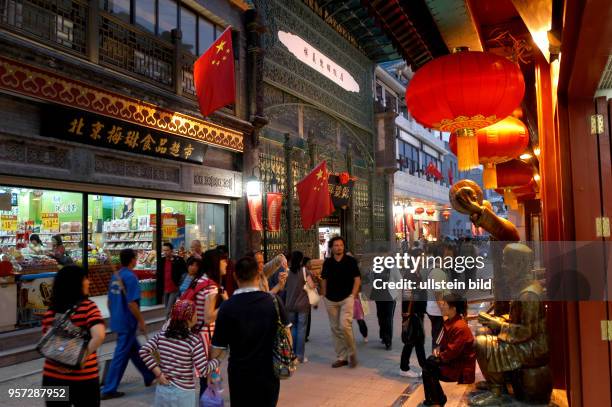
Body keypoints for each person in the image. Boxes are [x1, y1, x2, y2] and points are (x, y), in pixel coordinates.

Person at [210, 256, 292, 407]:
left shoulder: (227, 307)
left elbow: (217, 349)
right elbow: (287, 336)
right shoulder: (273, 301)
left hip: (239, 375)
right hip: (268, 373)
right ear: (257, 275)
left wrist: (212, 372)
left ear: (235, 276)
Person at [41, 265, 106, 407]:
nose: (88, 282)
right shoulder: (88, 307)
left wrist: (62, 361)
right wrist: (79, 358)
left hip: (53, 377)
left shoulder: (51, 311)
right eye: (85, 279)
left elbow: (48, 343)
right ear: (77, 283)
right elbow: (99, 335)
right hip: (83, 378)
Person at [139, 300, 220, 407]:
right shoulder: (194, 341)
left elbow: (143, 351)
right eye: (195, 313)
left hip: (162, 390)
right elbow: (203, 370)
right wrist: (217, 360)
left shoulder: (162, 335)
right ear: (189, 318)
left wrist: (158, 374)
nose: (197, 316)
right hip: (183, 393)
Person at [101, 249, 155, 400]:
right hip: (127, 322)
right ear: (132, 260)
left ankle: (149, 375)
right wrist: (142, 321)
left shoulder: (116, 275)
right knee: (120, 355)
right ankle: (109, 388)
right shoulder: (131, 277)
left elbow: (109, 301)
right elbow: (132, 304)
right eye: (135, 258)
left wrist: (114, 316)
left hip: (117, 319)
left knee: (134, 350)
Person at [421, 293, 475, 406]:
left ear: (453, 308)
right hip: (452, 361)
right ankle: (435, 400)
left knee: (429, 368)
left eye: (445, 304)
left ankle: (437, 400)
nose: (442, 306)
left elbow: (452, 352)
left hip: (460, 369)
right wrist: (438, 351)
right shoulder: (450, 321)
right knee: (428, 366)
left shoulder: (460, 327)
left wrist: (438, 357)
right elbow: (441, 343)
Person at [321, 236, 360, 368]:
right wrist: (324, 295)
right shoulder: (327, 262)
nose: (339, 247)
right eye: (336, 245)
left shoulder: (350, 261)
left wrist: (353, 295)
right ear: (331, 247)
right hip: (330, 300)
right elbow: (324, 279)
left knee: (345, 326)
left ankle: (352, 352)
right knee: (335, 329)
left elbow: (357, 279)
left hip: (346, 298)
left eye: (341, 245)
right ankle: (342, 357)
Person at [400, 250, 427, 377]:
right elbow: (406, 295)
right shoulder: (410, 275)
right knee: (412, 340)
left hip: (417, 311)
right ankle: (404, 368)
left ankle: (423, 366)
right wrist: (406, 315)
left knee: (417, 340)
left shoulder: (417, 274)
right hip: (412, 313)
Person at [284, 251, 315, 363]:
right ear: (301, 260)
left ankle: (292, 355)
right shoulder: (304, 271)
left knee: (293, 328)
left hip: (290, 304)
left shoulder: (287, 272)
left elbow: (284, 287)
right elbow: (311, 286)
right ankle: (300, 356)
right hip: (302, 305)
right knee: (302, 329)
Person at [425, 243, 448, 350]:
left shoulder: (434, 268)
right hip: (437, 311)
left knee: (436, 335)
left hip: (433, 309)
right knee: (439, 339)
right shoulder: (438, 272)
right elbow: (438, 295)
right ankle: (436, 362)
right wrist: (445, 315)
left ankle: (436, 361)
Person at [162, 242, 187, 316]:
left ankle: (166, 325)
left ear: (171, 250)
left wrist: (180, 285)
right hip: (165, 288)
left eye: (167, 250)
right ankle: (170, 323)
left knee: (168, 310)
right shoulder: (162, 260)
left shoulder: (178, 260)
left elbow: (184, 273)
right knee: (167, 308)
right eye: (164, 250)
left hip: (174, 288)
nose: (165, 252)